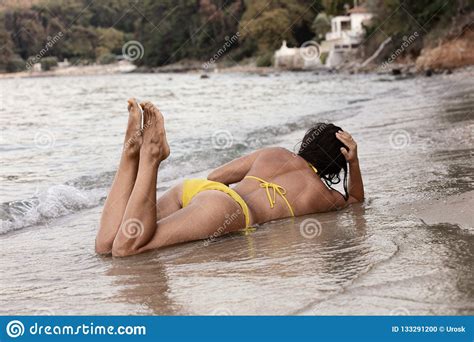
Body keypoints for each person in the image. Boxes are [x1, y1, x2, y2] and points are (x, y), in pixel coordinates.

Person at [96, 99, 364, 257]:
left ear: (307, 143)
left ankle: (130, 155)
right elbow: (355, 200)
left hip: (197, 190)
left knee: (107, 246)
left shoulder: (275, 153)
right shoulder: (323, 195)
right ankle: (151, 157)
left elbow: (216, 176)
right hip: (228, 209)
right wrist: (354, 160)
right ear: (336, 165)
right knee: (126, 249)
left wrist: (204, 205)